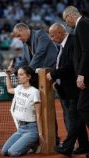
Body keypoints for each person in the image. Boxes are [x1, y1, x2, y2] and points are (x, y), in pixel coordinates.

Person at [47, 23, 88, 156]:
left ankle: (67, 148)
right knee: (78, 121)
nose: (52, 38)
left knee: (74, 120)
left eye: (53, 35)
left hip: (76, 89)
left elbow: (71, 66)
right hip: (68, 89)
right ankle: (83, 146)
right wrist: (58, 83)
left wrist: (53, 74)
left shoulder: (72, 41)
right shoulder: (63, 45)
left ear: (60, 32)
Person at [62, 6, 89, 157]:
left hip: (86, 76)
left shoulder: (82, 24)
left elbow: (86, 50)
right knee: (83, 107)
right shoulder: (81, 25)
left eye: (65, 19)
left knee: (83, 107)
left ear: (71, 15)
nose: (66, 23)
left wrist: (81, 74)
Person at [1, 65, 43, 157]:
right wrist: (7, 76)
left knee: (12, 152)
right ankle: (28, 145)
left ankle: (31, 146)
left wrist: (40, 134)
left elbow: (38, 114)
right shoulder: (19, 88)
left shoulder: (34, 92)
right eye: (18, 75)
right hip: (20, 129)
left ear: (28, 77)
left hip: (31, 130)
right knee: (4, 151)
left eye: (21, 74)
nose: (18, 77)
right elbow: (9, 89)